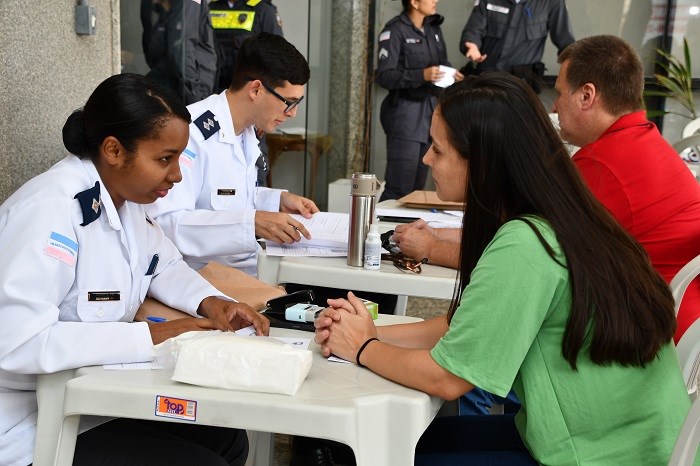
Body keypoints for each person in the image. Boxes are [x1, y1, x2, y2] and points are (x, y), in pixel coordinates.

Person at [315, 74, 690, 464]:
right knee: (399, 439)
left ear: (482, 161)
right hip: (632, 440)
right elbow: (461, 328)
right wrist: (373, 331)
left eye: (438, 150)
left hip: (601, 455)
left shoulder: (526, 242)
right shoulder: (569, 214)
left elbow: (447, 378)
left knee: (374, 450)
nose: (426, 158)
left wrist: (362, 348)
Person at [0, 73, 269, 466]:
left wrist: (212, 302)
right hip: (27, 420)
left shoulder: (127, 200)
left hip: (91, 397)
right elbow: (17, 342)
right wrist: (151, 336)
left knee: (226, 439)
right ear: (113, 150)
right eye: (164, 159)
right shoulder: (50, 212)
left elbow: (162, 265)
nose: (177, 175)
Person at [552, 34, 700, 343]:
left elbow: (533, 254)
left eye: (560, 93)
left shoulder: (601, 164)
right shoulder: (644, 138)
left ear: (586, 96)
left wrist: (433, 247)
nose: (555, 105)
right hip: (684, 334)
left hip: (649, 343)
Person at [145, 32, 319, 276]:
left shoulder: (246, 130)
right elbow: (166, 222)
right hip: (200, 277)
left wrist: (276, 201)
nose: (292, 113)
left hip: (247, 267)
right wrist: (252, 224)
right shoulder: (191, 132)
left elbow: (229, 197)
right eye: (288, 103)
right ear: (256, 89)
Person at [376, 0, 463, 201]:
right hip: (405, 116)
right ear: (414, 2)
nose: (435, 1)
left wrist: (451, 74)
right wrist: (420, 75)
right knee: (399, 187)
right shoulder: (394, 30)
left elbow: (443, 64)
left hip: (431, 114)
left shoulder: (433, 28)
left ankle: (407, 232)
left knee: (416, 189)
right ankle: (378, 231)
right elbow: (385, 76)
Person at [209, 0, 285, 187]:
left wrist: (267, 107)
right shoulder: (210, 8)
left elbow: (278, 63)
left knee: (254, 162)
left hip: (253, 103)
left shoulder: (263, 10)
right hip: (216, 101)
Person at [459, 0, 574, 93]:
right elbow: (473, 30)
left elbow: (565, 42)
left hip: (522, 83)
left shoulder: (551, 2)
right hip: (487, 78)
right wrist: (471, 45)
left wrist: (574, 68)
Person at [141, 0, 218, 104]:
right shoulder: (161, 12)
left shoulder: (187, 6)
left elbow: (183, 51)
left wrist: (195, 98)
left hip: (190, 92)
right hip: (170, 90)